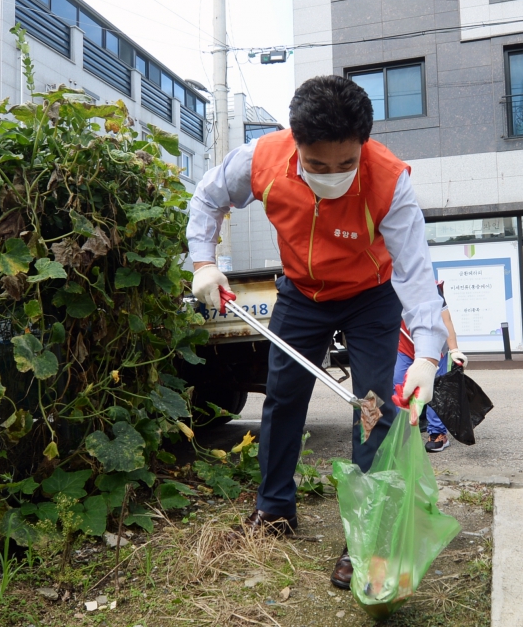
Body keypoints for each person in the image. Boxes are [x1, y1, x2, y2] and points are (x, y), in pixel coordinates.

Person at [187, 75, 447, 591]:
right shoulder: (260, 159)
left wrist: (427, 357)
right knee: (281, 399)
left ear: (364, 146)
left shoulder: (390, 180)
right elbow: (207, 197)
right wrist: (203, 263)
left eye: (346, 164)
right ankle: (274, 508)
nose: (333, 175)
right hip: (301, 294)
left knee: (373, 406)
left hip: (370, 296)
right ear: (296, 143)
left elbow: (415, 274)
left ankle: (367, 538)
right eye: (318, 165)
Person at [395, 282, 467, 452]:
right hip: (405, 346)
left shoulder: (428, 286)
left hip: (433, 345)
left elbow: (446, 320)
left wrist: (454, 349)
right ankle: (400, 433)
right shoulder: (385, 286)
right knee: (398, 383)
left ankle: (437, 433)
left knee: (434, 386)